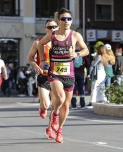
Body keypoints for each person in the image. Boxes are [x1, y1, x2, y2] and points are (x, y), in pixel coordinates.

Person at [38, 8, 89, 143]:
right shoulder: (52, 35)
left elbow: (86, 50)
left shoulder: (75, 35)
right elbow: (40, 44)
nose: (66, 21)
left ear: (71, 21)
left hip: (69, 74)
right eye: (63, 19)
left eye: (69, 19)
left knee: (66, 105)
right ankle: (54, 115)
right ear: (58, 21)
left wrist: (77, 54)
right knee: (60, 99)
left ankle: (59, 130)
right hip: (55, 73)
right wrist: (42, 60)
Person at [27, 19, 58, 139]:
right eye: (50, 27)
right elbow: (30, 58)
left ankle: (49, 128)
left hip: (56, 77)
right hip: (43, 76)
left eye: (55, 26)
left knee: (55, 106)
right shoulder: (38, 42)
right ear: (46, 29)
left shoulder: (60, 42)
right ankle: (42, 107)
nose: (52, 29)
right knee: (46, 104)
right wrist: (35, 66)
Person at [71, 45, 89, 109]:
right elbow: (87, 64)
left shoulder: (72, 54)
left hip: (72, 73)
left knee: (73, 89)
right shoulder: (82, 55)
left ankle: (74, 105)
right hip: (81, 73)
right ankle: (83, 105)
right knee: (81, 88)